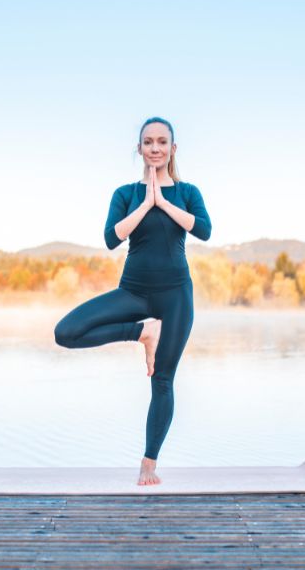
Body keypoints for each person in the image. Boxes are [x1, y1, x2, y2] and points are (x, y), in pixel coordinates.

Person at [54, 116, 212, 486]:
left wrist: (163, 202)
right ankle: (142, 332)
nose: (154, 148)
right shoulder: (124, 194)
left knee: (163, 380)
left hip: (176, 296)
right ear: (138, 148)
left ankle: (148, 463)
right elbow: (112, 238)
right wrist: (145, 204)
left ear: (172, 149)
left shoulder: (188, 192)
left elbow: (203, 229)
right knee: (66, 332)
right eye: (147, 142)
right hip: (133, 292)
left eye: (161, 142)